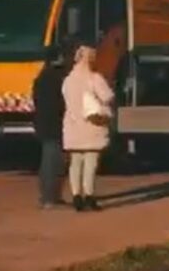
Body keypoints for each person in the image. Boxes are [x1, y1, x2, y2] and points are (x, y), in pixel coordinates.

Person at [62, 43, 114, 212]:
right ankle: (89, 196)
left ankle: (76, 195)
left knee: (75, 162)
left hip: (73, 124)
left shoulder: (68, 80)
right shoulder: (94, 78)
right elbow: (108, 97)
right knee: (90, 162)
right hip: (92, 125)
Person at [32, 51, 67, 209]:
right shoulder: (58, 78)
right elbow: (61, 102)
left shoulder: (40, 79)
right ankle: (50, 198)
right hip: (54, 124)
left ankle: (48, 197)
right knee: (53, 162)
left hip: (42, 123)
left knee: (48, 160)